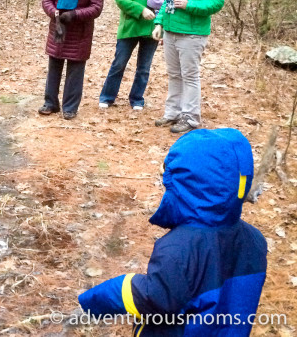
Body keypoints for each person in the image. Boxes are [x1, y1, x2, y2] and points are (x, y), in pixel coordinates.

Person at [78, 128, 267, 336]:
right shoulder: (255, 240)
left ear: (187, 183)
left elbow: (153, 295)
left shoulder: (178, 249)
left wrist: (93, 300)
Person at [152, 0, 225, 133]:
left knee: (190, 76)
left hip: (193, 34)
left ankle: (190, 117)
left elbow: (217, 2)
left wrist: (189, 4)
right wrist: (159, 23)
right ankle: (173, 112)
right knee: (174, 74)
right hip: (171, 30)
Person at [39, 0, 104, 120]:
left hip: (79, 32)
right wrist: (54, 13)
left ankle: (70, 107)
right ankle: (50, 103)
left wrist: (75, 14)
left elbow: (96, 7)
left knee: (75, 70)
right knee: (54, 67)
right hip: (58, 29)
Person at [98, 0, 158, 111]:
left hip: (151, 26)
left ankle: (137, 98)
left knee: (144, 67)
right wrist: (141, 10)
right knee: (119, 63)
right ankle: (107, 97)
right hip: (130, 24)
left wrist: (158, 19)